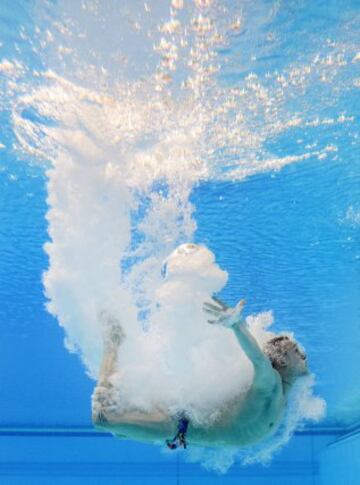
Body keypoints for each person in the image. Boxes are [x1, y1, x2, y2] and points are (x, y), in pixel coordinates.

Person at [92, 244, 308, 449]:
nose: (303, 356)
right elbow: (259, 360)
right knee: (105, 420)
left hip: (180, 428)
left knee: (118, 423)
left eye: (297, 351)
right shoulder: (271, 382)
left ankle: (114, 342)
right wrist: (237, 327)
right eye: (296, 352)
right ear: (280, 362)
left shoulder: (278, 389)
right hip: (176, 426)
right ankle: (113, 342)